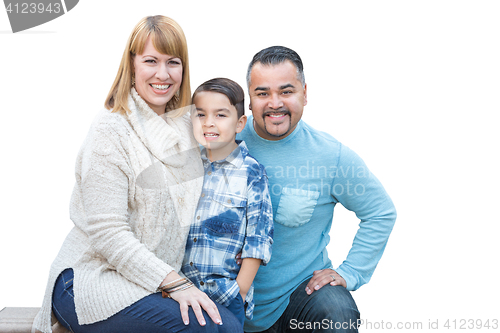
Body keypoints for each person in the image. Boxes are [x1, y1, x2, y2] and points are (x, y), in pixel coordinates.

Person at [32, 16, 243, 333]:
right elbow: (108, 234)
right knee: (206, 328)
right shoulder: (110, 132)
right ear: (131, 65)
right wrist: (176, 284)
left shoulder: (188, 125)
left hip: (149, 280)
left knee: (228, 324)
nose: (163, 73)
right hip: (90, 280)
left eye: (173, 62)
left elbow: (235, 125)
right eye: (151, 61)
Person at [237, 46, 397, 333]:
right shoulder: (223, 144)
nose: (275, 103)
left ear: (305, 94)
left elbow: (380, 212)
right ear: (249, 100)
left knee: (337, 314)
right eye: (262, 93)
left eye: (286, 91)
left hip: (298, 299)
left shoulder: (330, 156)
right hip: (228, 300)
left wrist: (351, 272)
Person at [182, 78, 274, 328]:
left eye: (220, 115)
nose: (209, 122)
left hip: (224, 295)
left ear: (240, 123)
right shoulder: (187, 166)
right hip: (181, 292)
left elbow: (258, 240)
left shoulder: (251, 172)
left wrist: (238, 293)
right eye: (200, 114)